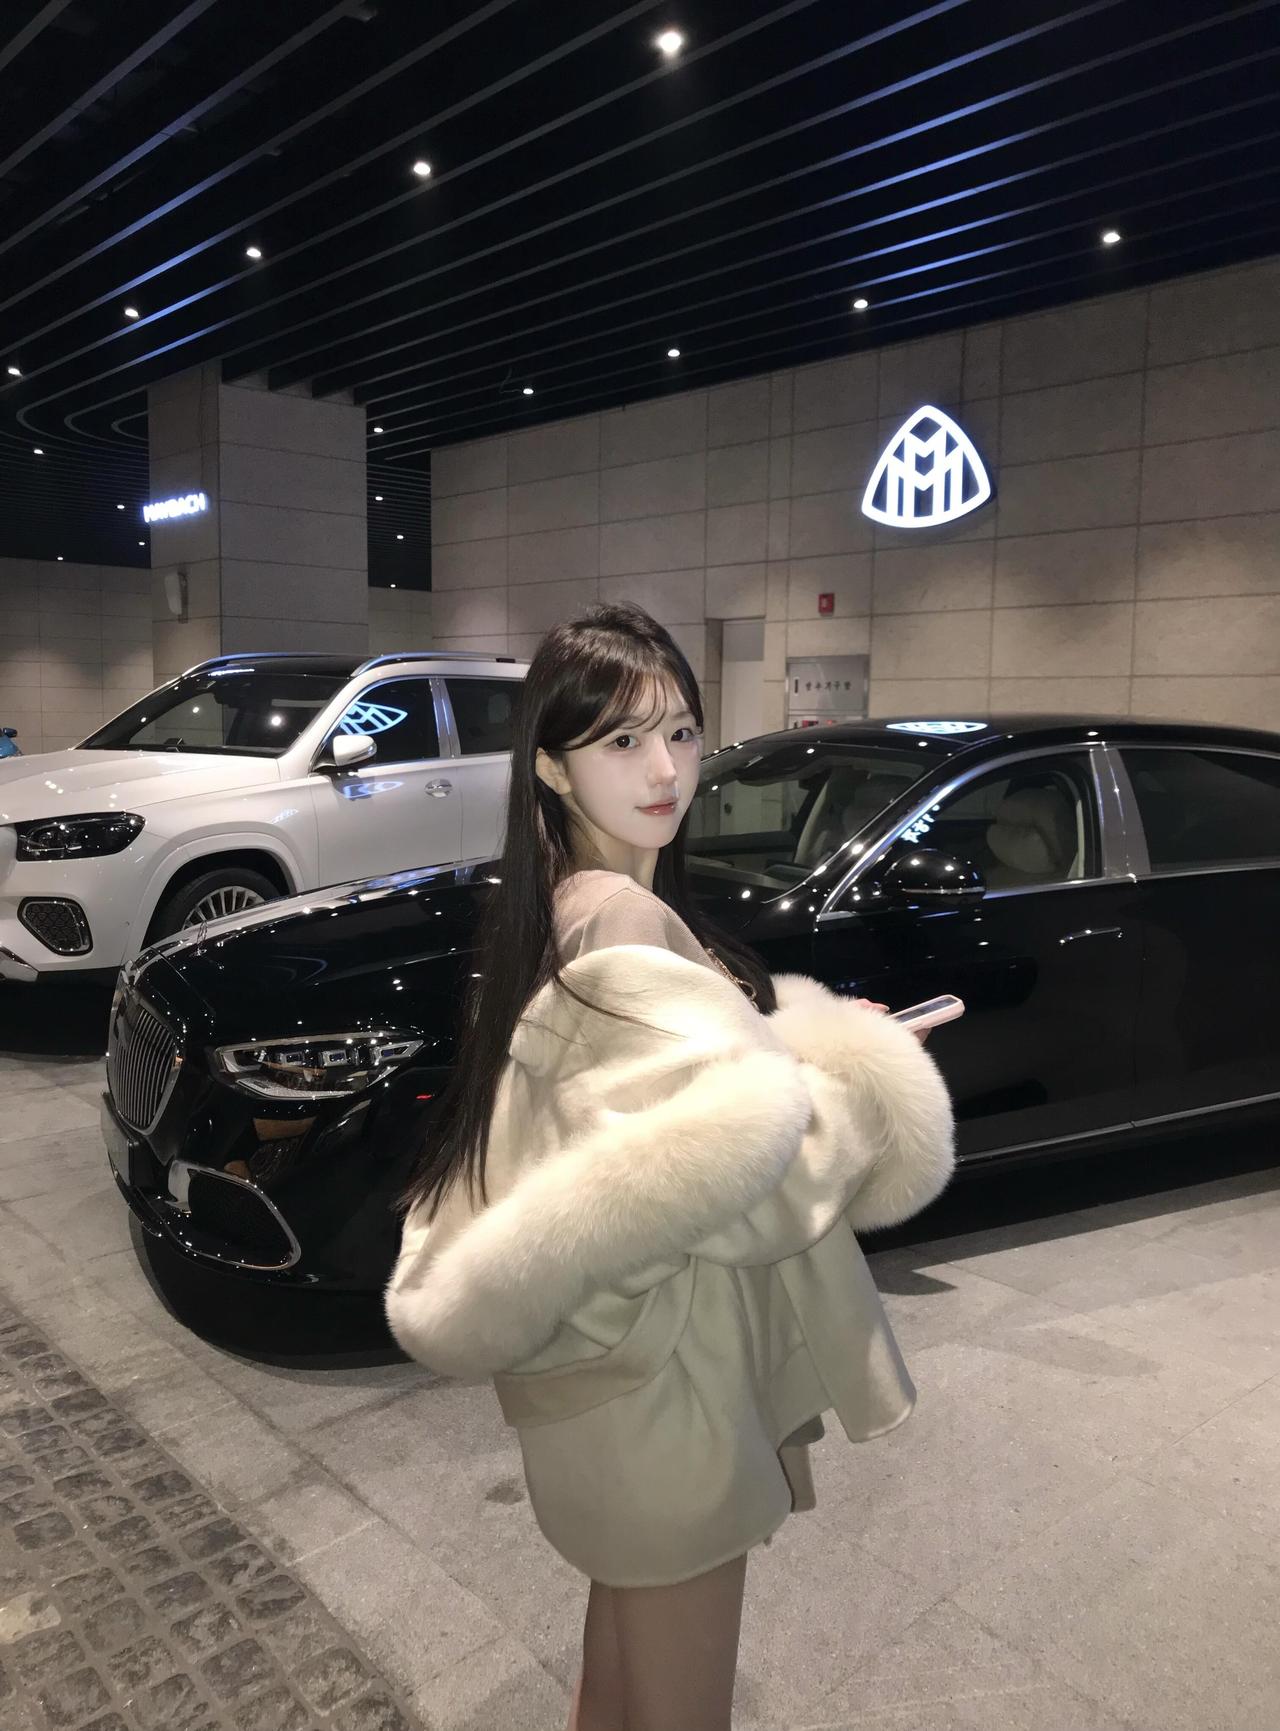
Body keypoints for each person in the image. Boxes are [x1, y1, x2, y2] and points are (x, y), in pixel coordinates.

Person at [386, 603, 956, 1731]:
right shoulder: (624, 921)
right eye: (621, 740)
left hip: (611, 1385)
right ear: (551, 766)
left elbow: (659, 1121)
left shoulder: (562, 902)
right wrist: (859, 1073)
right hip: (667, 1394)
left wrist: (780, 1050)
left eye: (682, 732)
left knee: (617, 1679)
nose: (664, 770)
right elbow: (737, 1183)